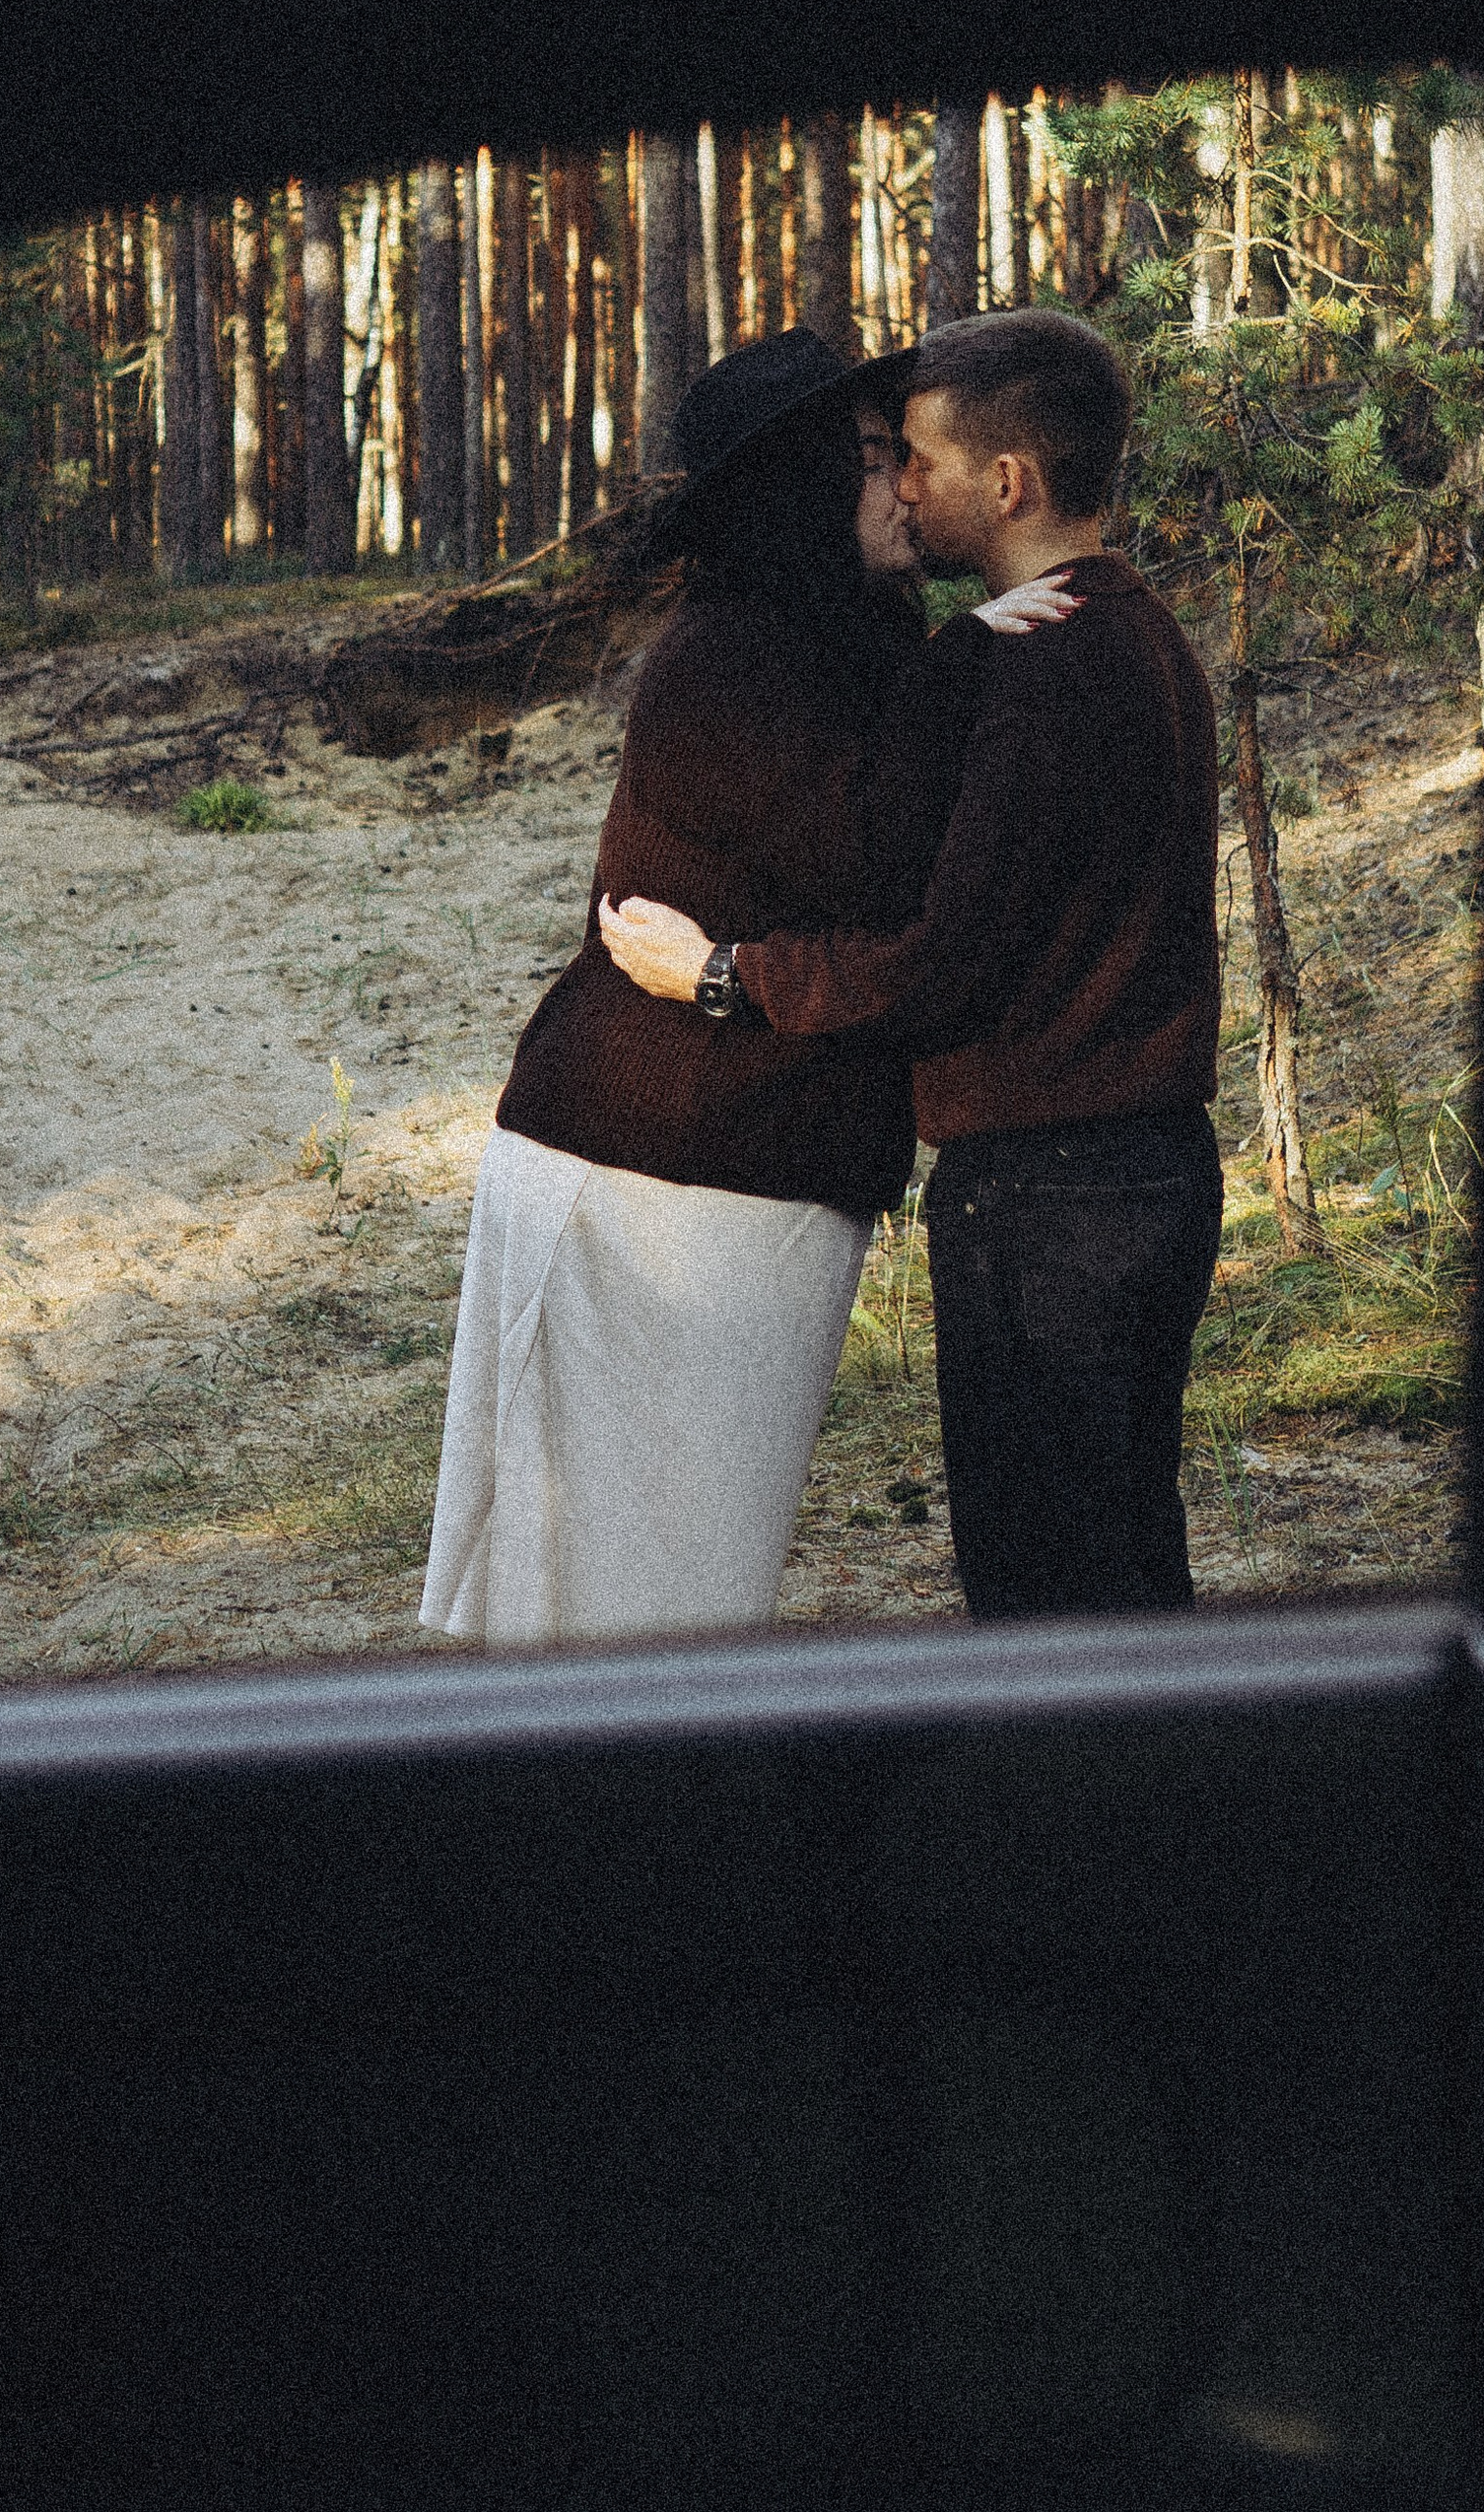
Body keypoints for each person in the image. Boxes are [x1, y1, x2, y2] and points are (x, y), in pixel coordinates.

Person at [419, 324, 1072, 1647]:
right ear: (799, 488)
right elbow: (883, 855)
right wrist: (972, 658)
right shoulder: (723, 659)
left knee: (691, 1585)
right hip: (648, 1179)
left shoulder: (840, 646)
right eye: (878, 458)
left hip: (747, 1173)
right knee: (617, 1599)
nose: (905, 488)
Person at [602, 306, 1225, 1622]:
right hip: (1140, 1173)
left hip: (1052, 1197)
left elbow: (937, 964)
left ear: (1008, 483)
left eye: (922, 459)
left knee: (1047, 1584)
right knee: (1119, 1558)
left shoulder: (1048, 670)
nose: (901, 484)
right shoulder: (1123, 633)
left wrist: (723, 975)